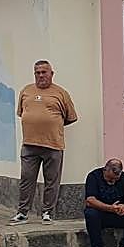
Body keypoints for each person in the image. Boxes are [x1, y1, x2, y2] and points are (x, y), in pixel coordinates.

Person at [12, 60, 78, 225]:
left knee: (52, 181)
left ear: (51, 74)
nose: (40, 75)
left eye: (44, 72)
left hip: (53, 145)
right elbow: (21, 113)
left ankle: (47, 212)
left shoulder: (61, 93)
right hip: (29, 144)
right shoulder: (26, 91)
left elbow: (71, 117)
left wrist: (51, 125)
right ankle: (22, 212)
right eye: (37, 73)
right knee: (27, 178)